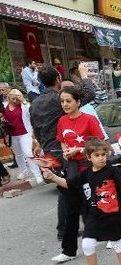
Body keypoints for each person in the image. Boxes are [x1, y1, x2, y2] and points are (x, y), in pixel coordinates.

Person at [42, 139, 121, 265]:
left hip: (113, 214)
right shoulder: (87, 173)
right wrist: (52, 177)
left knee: (116, 243)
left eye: (103, 154)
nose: (102, 158)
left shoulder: (112, 171)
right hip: (94, 215)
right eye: (97, 155)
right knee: (87, 244)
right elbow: (69, 184)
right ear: (89, 158)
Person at [51, 86, 107, 264]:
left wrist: (80, 149)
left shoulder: (89, 119)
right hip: (72, 167)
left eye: (68, 101)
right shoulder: (62, 121)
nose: (65, 104)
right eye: (62, 101)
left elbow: (100, 145)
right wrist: (66, 151)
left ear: (78, 102)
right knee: (71, 208)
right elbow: (62, 142)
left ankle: (109, 236)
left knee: (95, 203)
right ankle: (68, 250)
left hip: (89, 167)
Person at [30, 66, 66, 239]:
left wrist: (39, 143)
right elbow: (89, 93)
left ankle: (68, 227)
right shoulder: (60, 99)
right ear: (58, 79)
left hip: (49, 149)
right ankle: (64, 230)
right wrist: (83, 75)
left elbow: (36, 128)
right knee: (69, 187)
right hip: (63, 149)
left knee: (67, 187)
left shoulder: (35, 103)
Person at [4, 89, 43, 183]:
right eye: (13, 97)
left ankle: (37, 175)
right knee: (18, 154)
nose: (15, 99)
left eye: (18, 96)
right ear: (9, 97)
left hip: (25, 133)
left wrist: (23, 101)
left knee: (28, 153)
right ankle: (24, 171)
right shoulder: (4, 105)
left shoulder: (24, 105)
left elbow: (30, 113)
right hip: (12, 134)